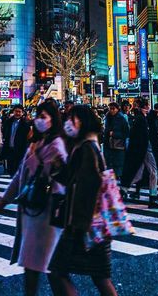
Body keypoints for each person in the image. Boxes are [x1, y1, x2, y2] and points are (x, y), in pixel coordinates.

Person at [0, 101, 67, 296]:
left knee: (46, 267)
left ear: (54, 120)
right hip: (34, 212)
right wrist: (5, 199)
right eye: (38, 116)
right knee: (39, 266)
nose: (39, 121)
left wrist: (36, 156)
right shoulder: (38, 142)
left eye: (44, 117)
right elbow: (20, 174)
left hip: (47, 211)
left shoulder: (56, 144)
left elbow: (58, 175)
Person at [49, 105, 117, 296]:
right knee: (100, 276)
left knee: (57, 271)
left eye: (73, 119)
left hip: (85, 225)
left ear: (84, 122)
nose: (68, 123)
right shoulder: (86, 145)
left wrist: (78, 224)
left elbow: (88, 186)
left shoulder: (86, 148)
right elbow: (69, 177)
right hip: (94, 225)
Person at [2, 105, 32, 177]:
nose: (17, 113)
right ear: (13, 112)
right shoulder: (8, 122)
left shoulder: (25, 124)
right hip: (9, 148)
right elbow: (5, 133)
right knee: (10, 168)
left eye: (19, 112)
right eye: (16, 111)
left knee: (18, 168)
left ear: (22, 113)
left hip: (20, 149)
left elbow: (28, 138)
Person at [103, 102, 129, 181]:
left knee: (118, 161)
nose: (111, 110)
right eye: (110, 109)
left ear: (118, 109)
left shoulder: (121, 118)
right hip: (108, 143)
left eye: (113, 109)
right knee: (110, 161)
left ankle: (118, 176)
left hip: (118, 144)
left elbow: (126, 132)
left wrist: (114, 134)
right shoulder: (108, 117)